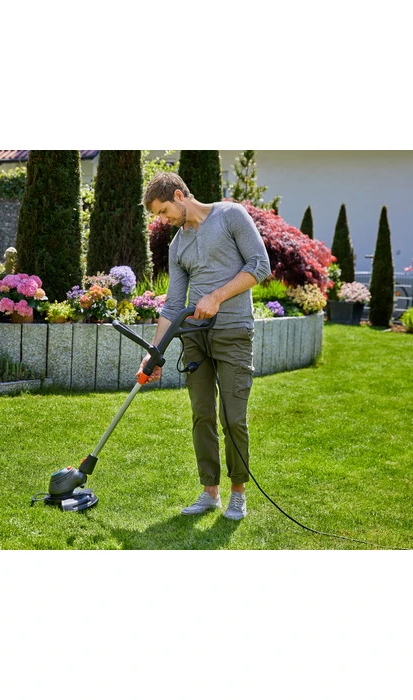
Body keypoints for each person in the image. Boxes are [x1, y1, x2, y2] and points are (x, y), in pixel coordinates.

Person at [137, 172, 271, 520]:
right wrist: (154, 353)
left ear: (179, 196)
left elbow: (260, 265)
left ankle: (238, 493)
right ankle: (210, 492)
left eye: (164, 211)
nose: (162, 220)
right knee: (202, 414)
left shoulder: (230, 215)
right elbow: (173, 305)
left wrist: (216, 296)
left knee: (233, 417)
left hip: (233, 332)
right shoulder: (177, 245)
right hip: (195, 337)